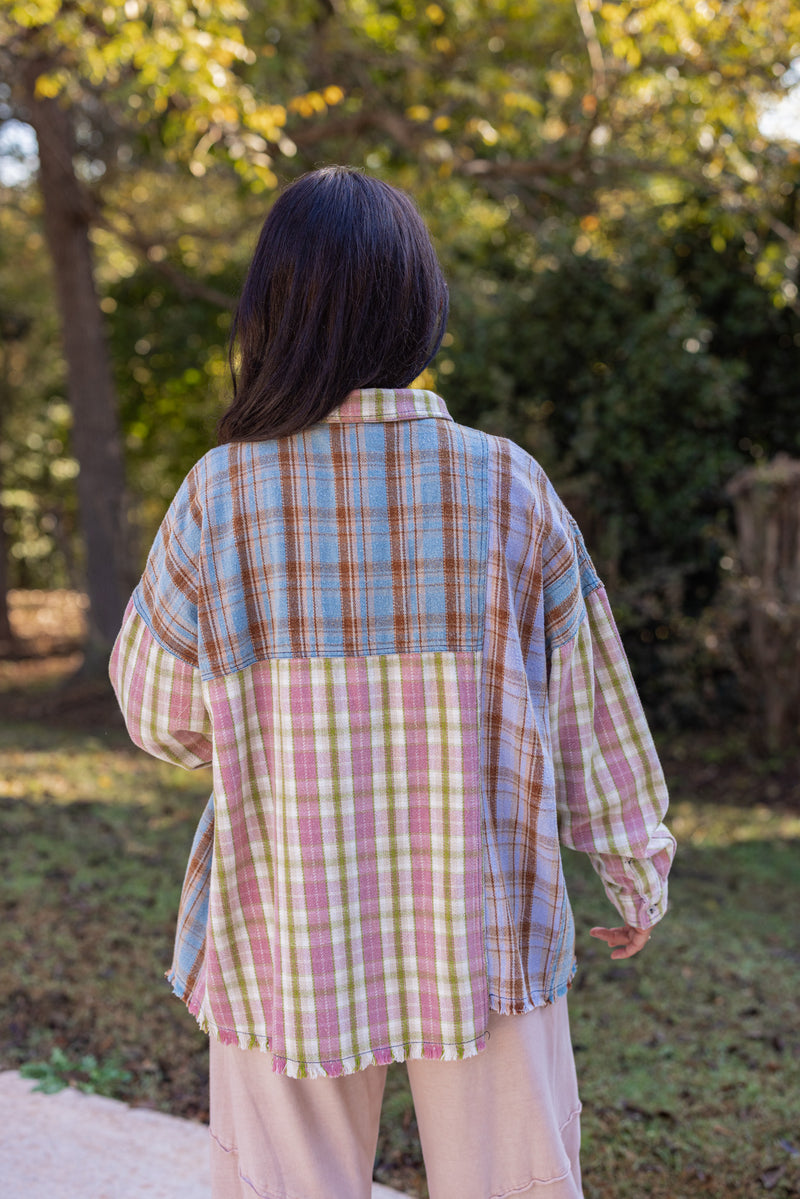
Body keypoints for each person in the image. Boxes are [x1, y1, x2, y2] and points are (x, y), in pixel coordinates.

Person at [109, 165, 675, 1199]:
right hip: (484, 914)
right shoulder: (507, 482)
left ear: (270, 311)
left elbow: (154, 707)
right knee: (518, 1183)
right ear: (419, 309)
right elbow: (590, 694)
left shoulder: (218, 495)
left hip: (283, 914)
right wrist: (631, 858)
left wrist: (261, 726)